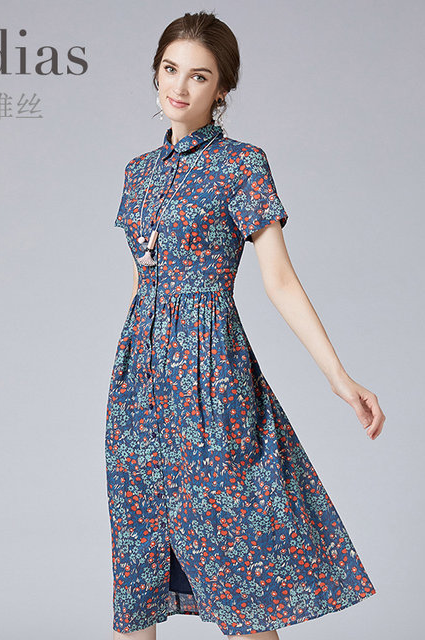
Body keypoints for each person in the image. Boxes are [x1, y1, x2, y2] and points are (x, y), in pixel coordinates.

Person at [105, 11, 385, 640]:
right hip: (139, 383)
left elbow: (279, 280)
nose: (180, 87)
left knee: (242, 563)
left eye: (199, 76)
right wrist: (132, 364)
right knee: (139, 555)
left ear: (222, 88)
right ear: (156, 72)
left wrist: (339, 378)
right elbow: (142, 283)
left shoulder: (242, 165)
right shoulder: (138, 173)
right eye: (170, 69)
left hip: (211, 376)